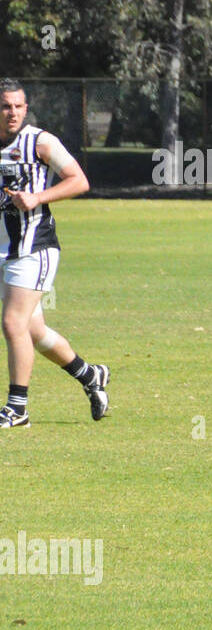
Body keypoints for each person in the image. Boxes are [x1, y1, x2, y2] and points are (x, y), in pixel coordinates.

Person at [0, 79, 109, 429]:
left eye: (17, 106)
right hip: (3, 249)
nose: (12, 112)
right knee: (34, 332)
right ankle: (90, 375)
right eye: (5, 106)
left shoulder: (40, 141)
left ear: (26, 108)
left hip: (34, 247)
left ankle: (18, 409)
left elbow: (79, 180)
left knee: (12, 323)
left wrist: (37, 197)